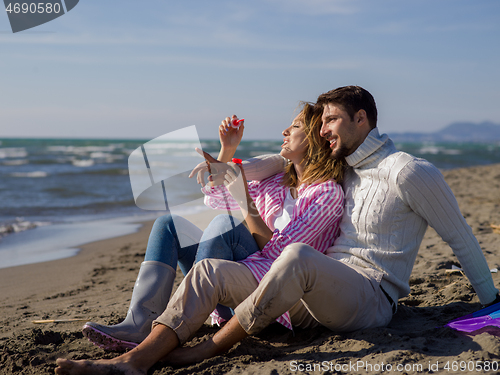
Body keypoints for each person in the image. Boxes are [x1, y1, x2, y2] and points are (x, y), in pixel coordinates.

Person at [55, 86, 499, 375]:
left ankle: (208, 348)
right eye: (319, 123)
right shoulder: (345, 168)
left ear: (362, 119)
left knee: (297, 255)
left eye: (330, 121)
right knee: (209, 268)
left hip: (370, 296)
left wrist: (493, 306)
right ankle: (135, 360)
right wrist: (232, 158)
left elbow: (459, 234)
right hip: (311, 287)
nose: (322, 131)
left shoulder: (406, 171)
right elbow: (283, 161)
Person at [79, 102, 345, 352]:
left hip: (271, 300)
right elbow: (215, 199)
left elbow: (283, 258)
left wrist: (244, 202)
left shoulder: (326, 194)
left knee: (226, 223)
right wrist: (227, 151)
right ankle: (140, 323)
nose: (285, 131)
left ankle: (182, 321)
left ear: (316, 138)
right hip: (236, 281)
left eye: (296, 126)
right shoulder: (275, 181)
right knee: (169, 224)